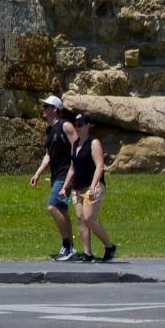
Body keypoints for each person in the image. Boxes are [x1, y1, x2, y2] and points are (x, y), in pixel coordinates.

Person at [28, 95, 77, 260]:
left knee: (52, 207)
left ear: (55, 109)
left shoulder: (66, 126)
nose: (43, 109)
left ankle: (67, 246)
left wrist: (76, 169)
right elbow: (48, 155)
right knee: (62, 209)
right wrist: (38, 173)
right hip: (56, 174)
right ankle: (71, 248)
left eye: (46, 107)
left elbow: (77, 148)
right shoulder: (49, 130)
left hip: (66, 174)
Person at [68, 113, 117, 263]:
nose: (78, 127)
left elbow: (100, 166)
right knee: (81, 219)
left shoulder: (93, 142)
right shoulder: (75, 144)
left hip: (92, 186)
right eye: (76, 124)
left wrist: (94, 186)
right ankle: (87, 253)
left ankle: (109, 246)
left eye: (81, 124)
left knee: (89, 218)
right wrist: (65, 187)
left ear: (88, 125)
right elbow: (72, 168)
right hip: (78, 186)